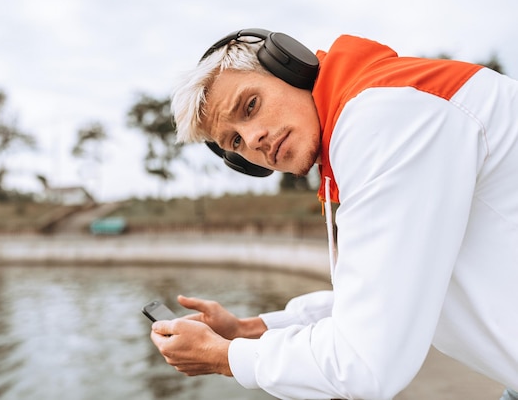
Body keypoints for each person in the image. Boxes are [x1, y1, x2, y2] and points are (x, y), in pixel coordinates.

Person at [149, 28, 518, 400]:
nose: (254, 139)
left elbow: (365, 363)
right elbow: (380, 293)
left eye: (250, 106)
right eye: (235, 142)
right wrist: (249, 329)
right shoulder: (376, 117)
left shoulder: (383, 120)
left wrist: (224, 357)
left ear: (290, 67)